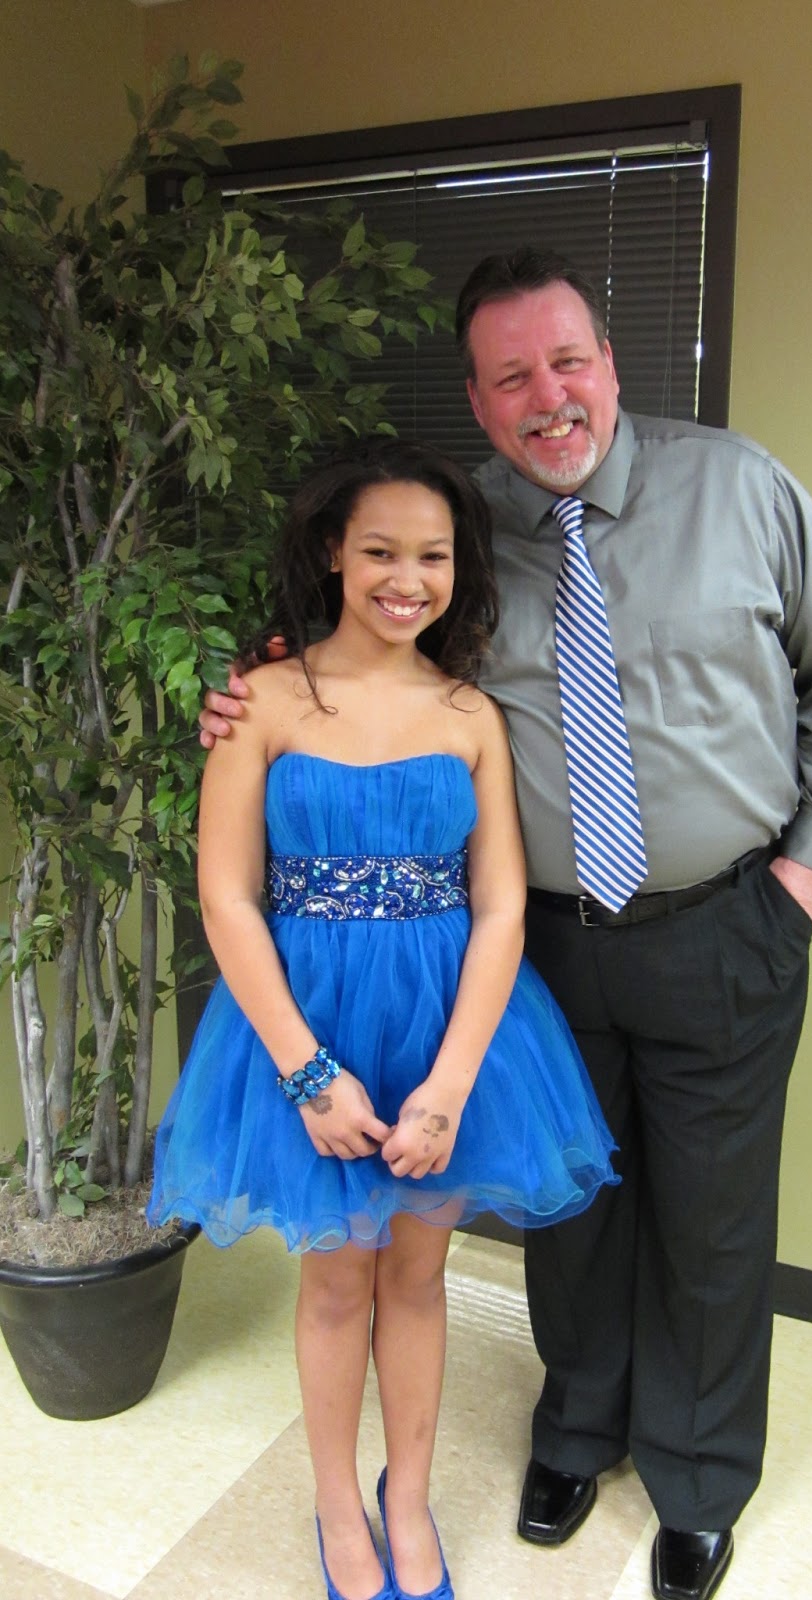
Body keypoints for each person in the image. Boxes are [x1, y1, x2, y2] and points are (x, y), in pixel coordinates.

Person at [200, 250, 812, 1600]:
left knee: (711, 1219)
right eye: (511, 375)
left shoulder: (740, 488)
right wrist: (257, 679)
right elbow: (379, 654)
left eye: (568, 361)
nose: (548, 395)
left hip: (725, 923)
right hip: (538, 944)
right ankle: (576, 1427)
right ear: (478, 397)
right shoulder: (464, 531)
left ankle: (697, 1478)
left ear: (609, 362)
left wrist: (800, 880)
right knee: (566, 1208)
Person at [152, 436, 618, 1600]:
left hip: (444, 1029)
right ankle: (334, 1508)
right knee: (333, 1285)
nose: (407, 579)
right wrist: (309, 1075)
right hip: (300, 1027)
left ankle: (404, 1498)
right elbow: (225, 896)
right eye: (379, 552)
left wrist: (449, 1086)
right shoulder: (259, 701)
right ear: (331, 552)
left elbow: (499, 905)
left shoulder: (468, 714)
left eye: (432, 555)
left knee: (414, 1280)